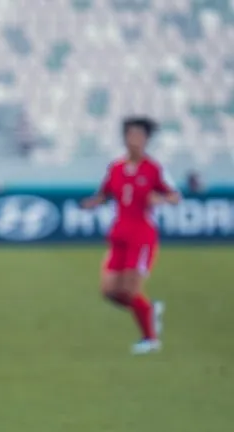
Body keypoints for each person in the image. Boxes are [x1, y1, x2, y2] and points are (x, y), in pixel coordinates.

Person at [81, 116, 181, 354]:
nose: (134, 140)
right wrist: (94, 202)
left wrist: (160, 198)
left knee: (130, 290)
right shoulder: (116, 167)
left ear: (146, 140)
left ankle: (150, 339)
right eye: (130, 135)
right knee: (109, 291)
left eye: (139, 136)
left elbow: (174, 196)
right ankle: (148, 310)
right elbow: (105, 193)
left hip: (141, 235)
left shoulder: (154, 168)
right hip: (119, 234)